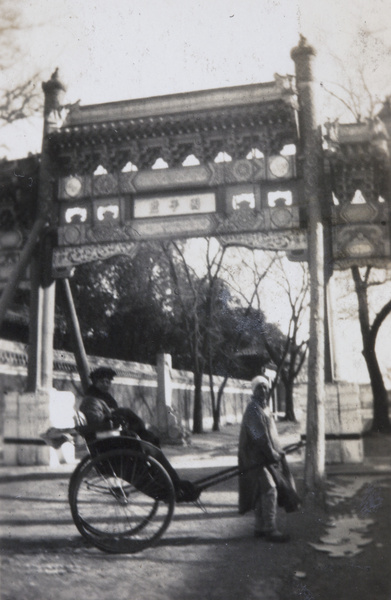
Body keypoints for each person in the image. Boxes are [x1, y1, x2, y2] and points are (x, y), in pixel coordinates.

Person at [79, 366, 197, 502]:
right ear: (95, 382)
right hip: (107, 445)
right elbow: (97, 423)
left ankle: (174, 483)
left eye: (108, 382)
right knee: (149, 447)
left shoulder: (103, 398)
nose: (106, 385)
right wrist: (114, 420)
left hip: (112, 441)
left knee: (152, 447)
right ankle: (172, 486)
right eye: (102, 382)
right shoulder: (91, 400)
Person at [238, 375, 290, 543]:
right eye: (260, 387)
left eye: (266, 387)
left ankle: (259, 527)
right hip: (254, 458)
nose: (264, 390)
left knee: (262, 490)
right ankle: (270, 529)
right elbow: (260, 437)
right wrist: (272, 454)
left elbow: (269, 434)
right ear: (254, 390)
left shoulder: (262, 408)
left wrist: (277, 451)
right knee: (270, 489)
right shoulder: (253, 409)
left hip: (261, 457)